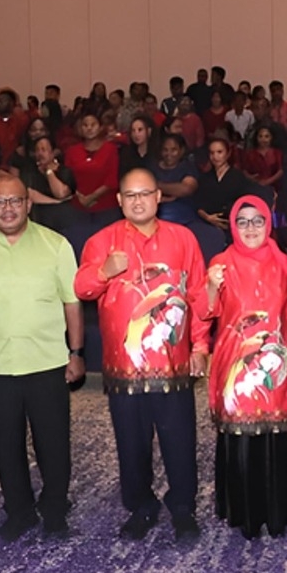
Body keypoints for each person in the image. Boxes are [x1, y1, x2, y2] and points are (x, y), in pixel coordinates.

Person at [75, 168, 212, 542]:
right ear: (120, 200)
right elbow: (82, 288)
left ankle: (182, 508)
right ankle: (140, 507)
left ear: (158, 197)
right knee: (131, 444)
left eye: (145, 194)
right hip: (125, 367)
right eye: (131, 195)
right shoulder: (102, 241)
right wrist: (104, 271)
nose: (138, 201)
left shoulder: (183, 238)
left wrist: (200, 346)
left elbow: (198, 294)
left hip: (173, 363)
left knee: (180, 442)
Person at [0, 174, 84, 541]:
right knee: (6, 445)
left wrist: (76, 352)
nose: (7, 209)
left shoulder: (56, 245)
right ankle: (19, 511)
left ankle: (54, 509)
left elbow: (72, 303)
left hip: (48, 362)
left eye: (15, 201)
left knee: (53, 443)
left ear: (28, 203)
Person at [202, 194, 287, 538]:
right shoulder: (221, 262)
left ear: (268, 223)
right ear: (233, 226)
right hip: (236, 364)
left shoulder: (282, 262)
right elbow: (205, 312)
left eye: (258, 220)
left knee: (276, 433)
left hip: (276, 360)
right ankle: (246, 514)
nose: (250, 228)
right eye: (242, 221)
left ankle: (277, 512)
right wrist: (210, 286)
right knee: (242, 436)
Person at [17, 135, 76, 231]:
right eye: (37, 150)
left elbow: (61, 193)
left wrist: (49, 172)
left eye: (43, 150)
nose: (40, 153)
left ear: (53, 153)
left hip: (63, 219)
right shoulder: (29, 171)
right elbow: (30, 194)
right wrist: (57, 202)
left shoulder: (64, 171)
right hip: (38, 219)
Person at [241, 125, 285, 190]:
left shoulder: (277, 153)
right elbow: (244, 170)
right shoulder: (250, 154)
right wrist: (250, 178)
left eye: (266, 136)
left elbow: (281, 171)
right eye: (260, 136)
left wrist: (267, 182)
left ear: (271, 137)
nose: (263, 139)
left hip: (275, 188)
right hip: (255, 187)